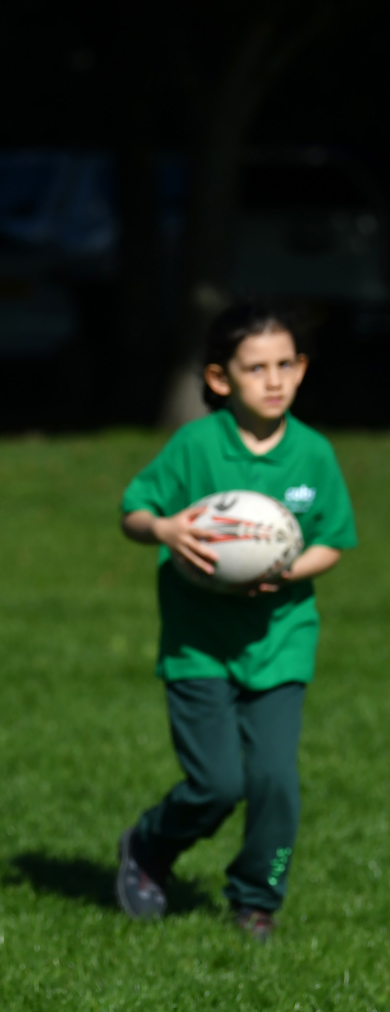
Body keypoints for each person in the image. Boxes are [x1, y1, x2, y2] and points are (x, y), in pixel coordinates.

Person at [113, 302, 356, 940]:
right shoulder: (195, 446)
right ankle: (150, 845)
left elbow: (332, 540)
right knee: (218, 784)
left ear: (301, 369)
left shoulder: (313, 454)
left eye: (285, 365)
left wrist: (287, 569)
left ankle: (258, 896)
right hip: (200, 645)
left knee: (275, 782)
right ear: (221, 379)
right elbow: (134, 512)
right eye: (256, 369)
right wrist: (164, 527)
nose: (273, 381)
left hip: (281, 641)